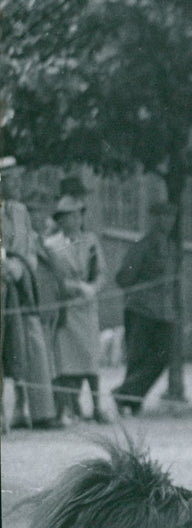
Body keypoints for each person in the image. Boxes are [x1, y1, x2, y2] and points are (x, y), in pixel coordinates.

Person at [0, 158, 61, 429]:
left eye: (18, 178)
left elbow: (28, 249)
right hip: (2, 282)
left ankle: (41, 412)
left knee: (31, 344)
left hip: (22, 284)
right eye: (12, 179)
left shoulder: (21, 211)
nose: (17, 184)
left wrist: (19, 267)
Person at [44, 194, 109, 423]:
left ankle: (97, 406)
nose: (73, 220)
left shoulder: (90, 241)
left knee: (90, 357)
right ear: (60, 220)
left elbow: (102, 273)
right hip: (66, 308)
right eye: (67, 216)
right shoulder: (51, 245)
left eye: (77, 214)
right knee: (65, 361)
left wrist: (93, 288)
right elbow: (51, 278)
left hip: (87, 306)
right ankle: (67, 408)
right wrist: (73, 287)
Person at [111, 202, 177, 415]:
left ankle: (126, 393)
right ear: (153, 219)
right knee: (137, 357)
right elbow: (123, 277)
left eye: (170, 217)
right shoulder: (142, 245)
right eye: (162, 217)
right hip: (140, 310)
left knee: (163, 356)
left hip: (163, 313)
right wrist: (143, 288)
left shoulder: (169, 246)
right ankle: (130, 402)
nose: (167, 222)